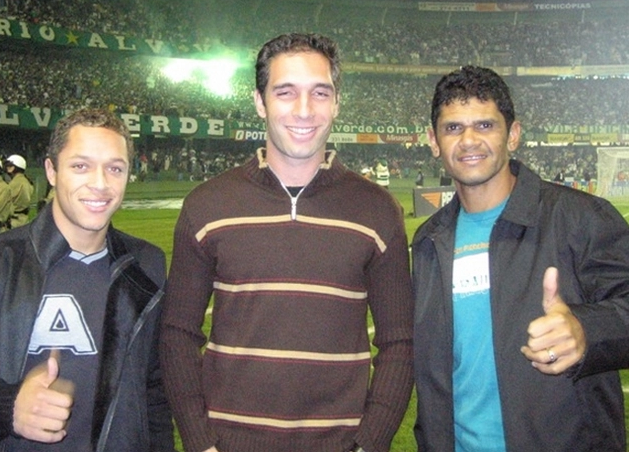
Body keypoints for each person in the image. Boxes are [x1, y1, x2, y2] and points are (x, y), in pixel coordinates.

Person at [160, 33, 414, 452]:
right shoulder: (206, 206)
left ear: (337, 103)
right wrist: (199, 441)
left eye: (319, 93)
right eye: (285, 92)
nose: (304, 110)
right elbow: (177, 334)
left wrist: (370, 444)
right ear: (259, 102)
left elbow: (399, 341)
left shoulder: (379, 210)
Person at [0, 108, 176, 451]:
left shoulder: (147, 265)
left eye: (115, 168)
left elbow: (155, 392)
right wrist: (9, 406)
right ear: (51, 171)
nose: (101, 183)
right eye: (81, 166)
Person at [411, 65, 629, 452]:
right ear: (432, 140)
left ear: (513, 135)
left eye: (485, 125)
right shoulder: (430, 241)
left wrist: (587, 330)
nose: (469, 141)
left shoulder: (579, 218)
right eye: (453, 128)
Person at [5, 154, 35, 228]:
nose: (8, 167)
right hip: (23, 219)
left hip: (15, 220)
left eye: (11, 165)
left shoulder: (17, 182)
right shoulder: (25, 180)